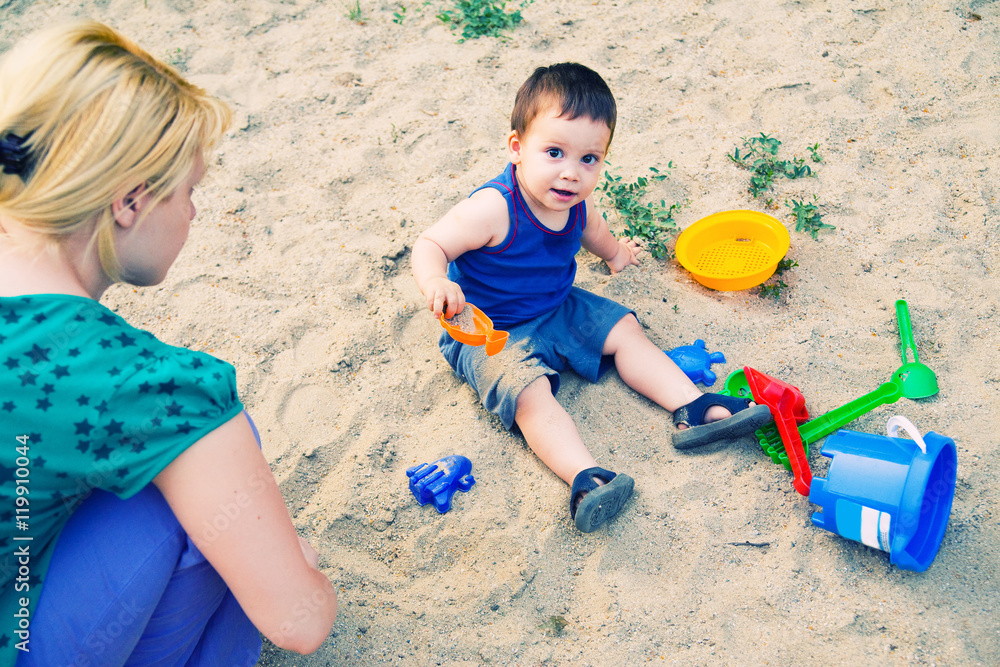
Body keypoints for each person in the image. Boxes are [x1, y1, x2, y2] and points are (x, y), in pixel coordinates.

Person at [0, 21, 336, 665]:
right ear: (129, 201)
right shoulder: (138, 383)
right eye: (189, 192)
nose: (192, 214)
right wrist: (299, 566)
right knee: (203, 472)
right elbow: (301, 623)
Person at [412, 63, 772, 533]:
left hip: (558, 308)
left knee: (625, 329)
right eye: (554, 152)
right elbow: (430, 244)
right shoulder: (494, 208)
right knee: (530, 395)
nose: (571, 173)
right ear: (517, 149)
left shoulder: (575, 202)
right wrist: (437, 281)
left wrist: (618, 255)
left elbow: (593, 232)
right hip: (489, 330)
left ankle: (693, 406)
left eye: (589, 159)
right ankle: (586, 477)